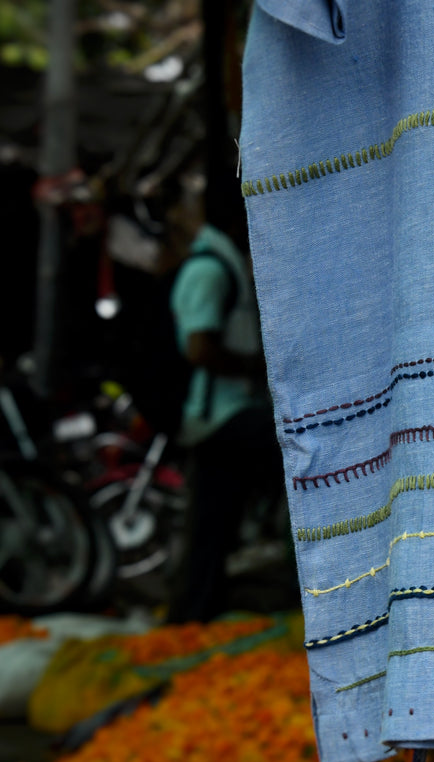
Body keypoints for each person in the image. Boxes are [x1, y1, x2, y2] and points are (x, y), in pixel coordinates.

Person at [165, 191, 279, 623]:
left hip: (229, 413)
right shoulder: (210, 270)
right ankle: (191, 614)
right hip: (220, 416)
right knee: (210, 523)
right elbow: (199, 348)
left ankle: (196, 612)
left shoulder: (227, 265)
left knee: (212, 523)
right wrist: (254, 366)